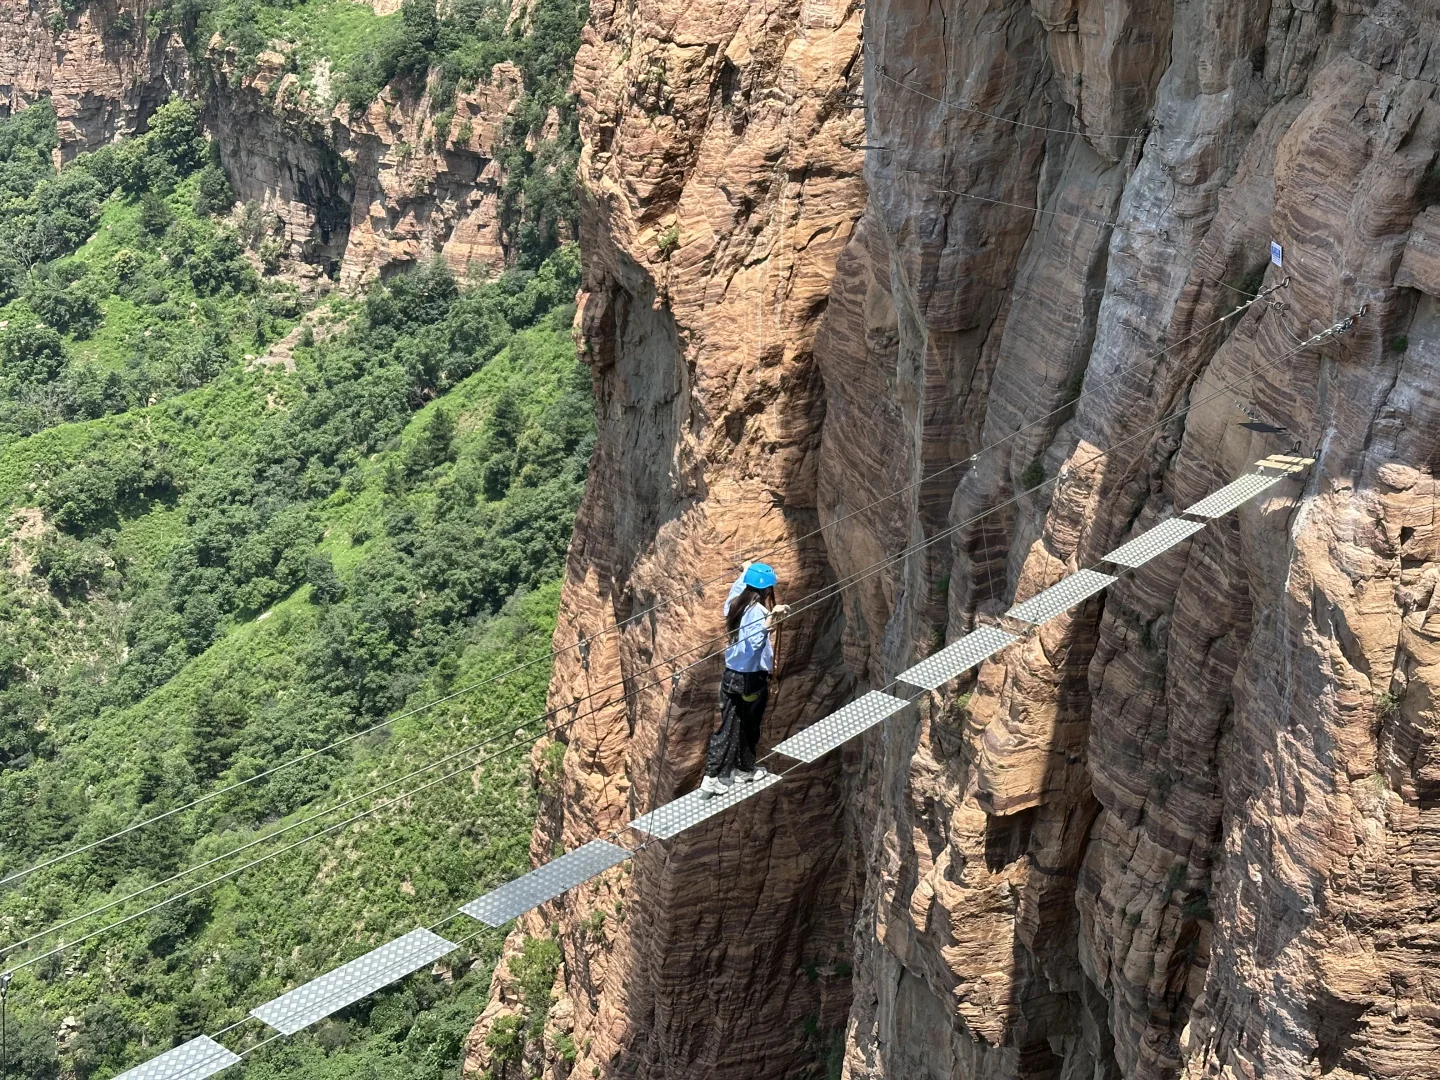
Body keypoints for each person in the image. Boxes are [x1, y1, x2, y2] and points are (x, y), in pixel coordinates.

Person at [700, 561, 790, 797]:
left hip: (730, 676)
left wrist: (746, 570)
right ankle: (738, 771)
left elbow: (737, 588)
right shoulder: (758, 612)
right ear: (767, 590)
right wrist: (771, 620)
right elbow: (754, 646)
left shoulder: (735, 604)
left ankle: (719, 774)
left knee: (728, 725)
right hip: (750, 680)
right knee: (747, 726)